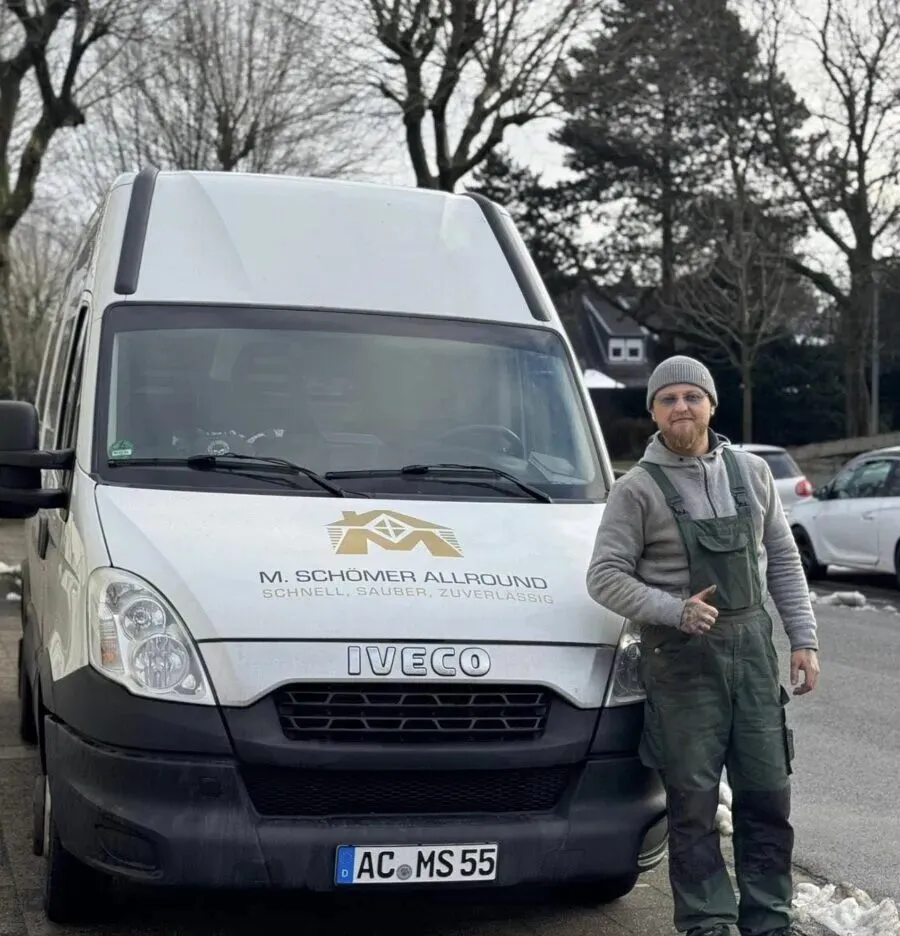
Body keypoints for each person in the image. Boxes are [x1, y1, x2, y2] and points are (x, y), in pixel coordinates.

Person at [586, 355, 820, 936]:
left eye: (692, 396)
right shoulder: (635, 490)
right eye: (668, 399)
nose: (681, 407)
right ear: (654, 412)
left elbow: (784, 560)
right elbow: (604, 576)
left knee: (768, 795)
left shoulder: (752, 474)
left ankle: (769, 918)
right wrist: (674, 610)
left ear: (712, 405)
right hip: (680, 666)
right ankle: (707, 921)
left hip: (753, 657)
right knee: (691, 807)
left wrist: (804, 639)